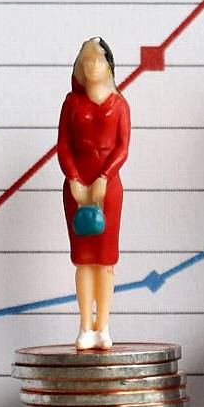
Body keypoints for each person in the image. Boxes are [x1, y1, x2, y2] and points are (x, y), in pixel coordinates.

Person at [57, 37, 131, 350]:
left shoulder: (119, 105)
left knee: (106, 261)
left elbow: (122, 147)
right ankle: (85, 324)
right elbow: (63, 146)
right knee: (84, 260)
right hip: (76, 190)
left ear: (110, 67)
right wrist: (74, 179)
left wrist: (104, 176)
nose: (91, 67)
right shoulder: (71, 104)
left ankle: (103, 325)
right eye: (85, 61)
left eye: (97, 61)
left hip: (108, 189)